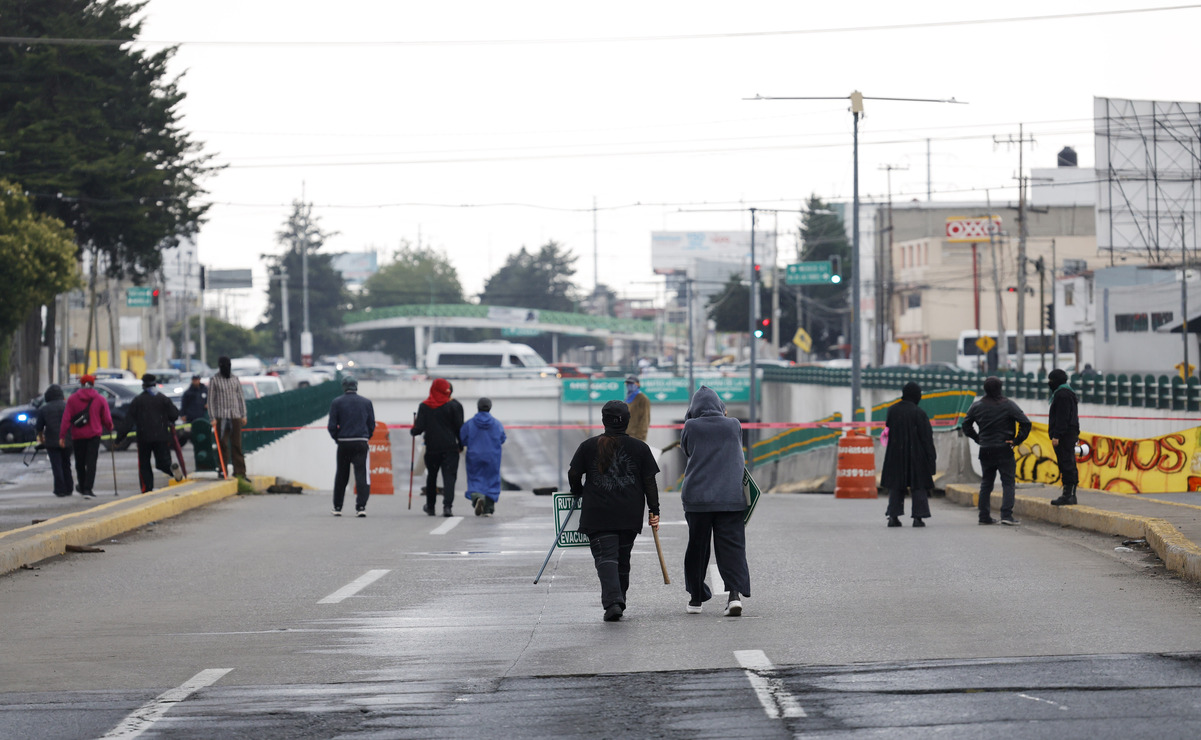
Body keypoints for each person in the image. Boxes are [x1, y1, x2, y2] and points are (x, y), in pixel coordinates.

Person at [568, 400, 661, 622]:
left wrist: (578, 492)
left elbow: (574, 473)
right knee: (622, 557)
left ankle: (613, 602)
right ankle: (619, 599)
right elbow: (649, 481)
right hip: (629, 515)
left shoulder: (588, 446)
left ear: (603, 420)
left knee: (606, 558)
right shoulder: (640, 448)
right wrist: (654, 509)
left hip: (598, 514)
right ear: (627, 421)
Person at [679, 386, 750, 617]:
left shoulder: (690, 426)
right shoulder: (734, 425)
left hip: (698, 498)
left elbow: (687, 450)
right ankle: (734, 596)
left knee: (697, 548)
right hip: (730, 497)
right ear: (720, 407)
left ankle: (696, 598)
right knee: (732, 548)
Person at [962, 376, 1032, 525]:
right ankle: (1006, 515)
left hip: (985, 449)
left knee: (986, 483)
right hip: (1004, 449)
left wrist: (978, 438)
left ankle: (984, 516)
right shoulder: (1008, 405)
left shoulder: (977, 406)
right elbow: (1025, 423)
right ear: (1000, 388)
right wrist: (1016, 440)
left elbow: (966, 425)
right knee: (1008, 482)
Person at [880, 381, 937, 528]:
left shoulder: (892, 410)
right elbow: (926, 438)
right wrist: (931, 459)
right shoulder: (919, 413)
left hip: (896, 453)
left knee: (896, 485)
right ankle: (918, 518)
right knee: (918, 486)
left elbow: (888, 429)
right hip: (916, 455)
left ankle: (893, 516)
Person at [117, 373, 183, 493]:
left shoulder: (138, 400)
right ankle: (172, 470)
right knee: (163, 462)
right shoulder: (163, 398)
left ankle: (147, 488)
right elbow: (174, 414)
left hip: (144, 438)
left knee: (144, 465)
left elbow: (128, 421)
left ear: (143, 385)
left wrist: (119, 438)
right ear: (155, 384)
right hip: (162, 437)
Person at [411, 377, 464, 517]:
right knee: (449, 477)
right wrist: (461, 444)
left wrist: (413, 430)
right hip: (450, 447)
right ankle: (447, 507)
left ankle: (430, 506)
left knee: (432, 477)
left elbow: (419, 428)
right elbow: (460, 429)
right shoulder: (455, 406)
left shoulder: (424, 406)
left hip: (432, 448)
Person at [327, 375, 375, 517]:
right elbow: (371, 424)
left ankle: (337, 507)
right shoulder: (366, 402)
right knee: (362, 475)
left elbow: (331, 426)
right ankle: (361, 506)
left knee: (342, 475)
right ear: (356, 386)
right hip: (361, 441)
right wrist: (367, 436)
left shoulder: (337, 402)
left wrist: (337, 438)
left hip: (344, 443)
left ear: (344, 386)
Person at [59, 374, 113, 498]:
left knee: (80, 462)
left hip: (77, 436)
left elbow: (66, 418)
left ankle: (82, 486)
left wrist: (62, 436)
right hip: (94, 435)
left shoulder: (72, 399)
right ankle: (88, 488)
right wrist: (109, 427)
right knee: (91, 462)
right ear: (93, 385)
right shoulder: (100, 399)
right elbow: (106, 418)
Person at [459, 397, 506, 517]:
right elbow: (502, 438)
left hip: (474, 456)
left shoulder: (470, 423)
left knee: (475, 478)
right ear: (490, 407)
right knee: (492, 480)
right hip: (492, 456)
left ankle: (477, 498)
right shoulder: (496, 424)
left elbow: (462, 438)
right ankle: (488, 508)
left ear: (478, 407)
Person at [207, 356, 247, 480]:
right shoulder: (214, 380)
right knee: (223, 444)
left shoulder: (235, 379)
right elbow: (210, 400)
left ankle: (240, 472)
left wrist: (243, 414)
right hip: (221, 417)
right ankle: (222, 469)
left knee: (237, 445)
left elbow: (240, 397)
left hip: (235, 416)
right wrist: (212, 417)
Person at [1048, 368, 1081, 506]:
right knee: (1067, 463)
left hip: (1065, 436)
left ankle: (1069, 495)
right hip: (1069, 434)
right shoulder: (1067, 392)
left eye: (1050, 380)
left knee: (1067, 463)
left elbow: (1062, 417)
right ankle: (1069, 494)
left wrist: (1057, 435)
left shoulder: (1062, 395)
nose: (1049, 383)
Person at [35, 384, 73, 497]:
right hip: (67, 440)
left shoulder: (44, 409)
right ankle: (69, 487)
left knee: (56, 465)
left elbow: (39, 427)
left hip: (51, 441)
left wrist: (41, 439)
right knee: (66, 464)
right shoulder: (68, 406)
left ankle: (60, 489)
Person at [624, 375, 651, 442]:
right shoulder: (627, 398)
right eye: (628, 384)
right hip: (626, 435)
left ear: (637, 384)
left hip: (635, 437)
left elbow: (645, 419)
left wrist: (640, 438)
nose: (629, 386)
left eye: (632, 383)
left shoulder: (643, 398)